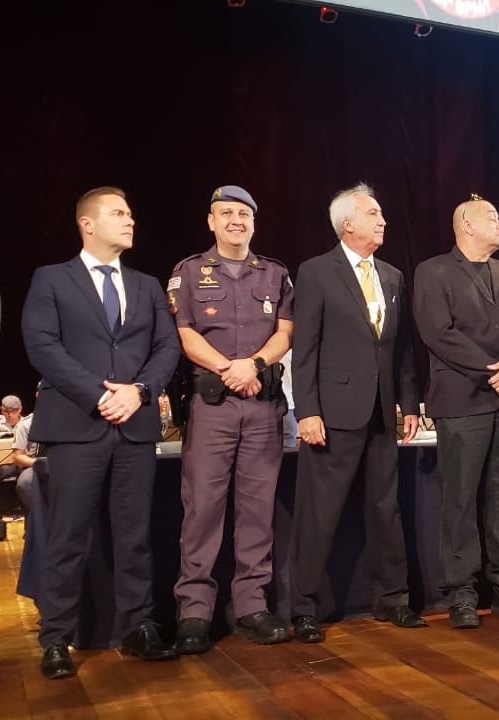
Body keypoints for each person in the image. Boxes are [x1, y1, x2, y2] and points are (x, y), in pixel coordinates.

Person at [21, 186, 181, 679]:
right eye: (118, 213)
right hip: (77, 426)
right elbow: (42, 345)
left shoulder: (148, 285)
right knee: (68, 535)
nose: (130, 220)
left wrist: (140, 391)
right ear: (87, 224)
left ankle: (138, 627)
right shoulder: (51, 279)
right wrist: (97, 395)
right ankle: (56, 637)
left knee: (135, 535)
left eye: (130, 213)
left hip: (134, 425)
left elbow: (167, 347)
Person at [289, 184, 425, 642]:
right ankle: (304, 608)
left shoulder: (392, 275)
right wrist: (307, 410)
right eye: (373, 213)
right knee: (319, 513)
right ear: (347, 223)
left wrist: (408, 403)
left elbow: (400, 348)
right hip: (333, 414)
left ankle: (393, 599)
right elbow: (304, 349)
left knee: (386, 509)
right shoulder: (316, 272)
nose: (382, 220)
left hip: (382, 413)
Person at [413, 195, 499, 629]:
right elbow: (438, 332)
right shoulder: (433, 271)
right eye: (493, 217)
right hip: (463, 399)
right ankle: (461, 592)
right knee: (461, 498)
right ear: (467, 226)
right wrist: (494, 370)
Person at [168, 185, 294, 652]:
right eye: (226, 213)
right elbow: (185, 335)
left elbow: (285, 332)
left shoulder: (276, 273)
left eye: (244, 213)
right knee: (202, 509)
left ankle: (251, 606)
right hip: (213, 406)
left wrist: (253, 365)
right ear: (211, 221)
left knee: (257, 510)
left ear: (254, 222)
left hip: (262, 405)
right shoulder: (187, 272)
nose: (236, 220)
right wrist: (230, 369)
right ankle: (194, 613)